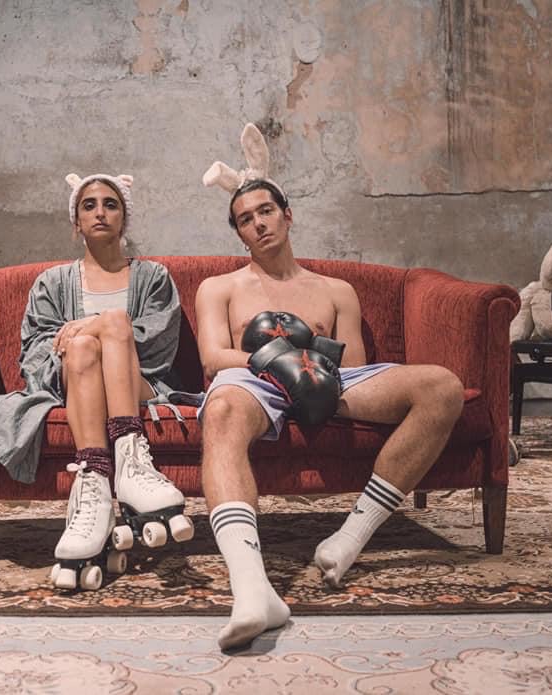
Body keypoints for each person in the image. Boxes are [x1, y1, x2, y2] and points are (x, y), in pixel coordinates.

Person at [196, 137, 464, 649]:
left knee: (442, 386)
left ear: (288, 214)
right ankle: (252, 591)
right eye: (246, 219)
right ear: (239, 233)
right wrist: (281, 360)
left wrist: (311, 367)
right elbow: (213, 358)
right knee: (222, 408)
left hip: (328, 380)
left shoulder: (337, 290)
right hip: (253, 380)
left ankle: (350, 538)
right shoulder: (220, 287)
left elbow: (355, 368)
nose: (259, 223)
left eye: (266, 211)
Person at [0, 172, 194, 591]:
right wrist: (91, 335)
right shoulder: (52, 284)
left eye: (110, 204)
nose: (100, 212)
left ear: (124, 218)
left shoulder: (153, 277)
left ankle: (130, 465)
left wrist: (97, 325)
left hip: (138, 382)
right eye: (89, 205)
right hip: (74, 382)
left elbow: (159, 345)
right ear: (76, 223)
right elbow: (37, 354)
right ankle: (96, 481)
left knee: (113, 324)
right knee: (84, 347)